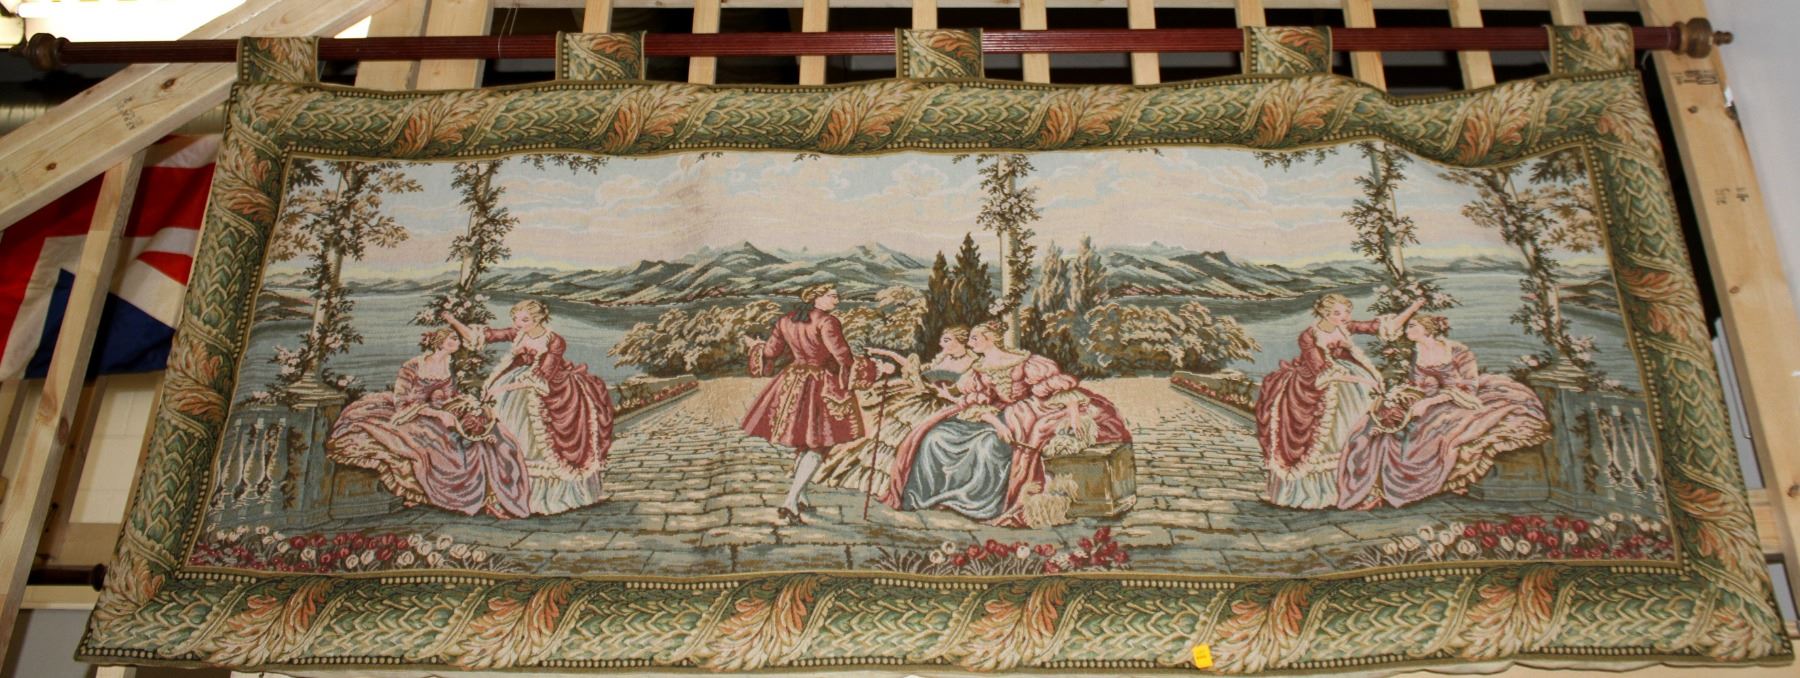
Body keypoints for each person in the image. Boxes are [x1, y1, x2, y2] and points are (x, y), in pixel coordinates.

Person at [883, 321, 1130, 526]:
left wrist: (1073, 413)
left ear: (990, 339)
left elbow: (1059, 390)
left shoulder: (1026, 362)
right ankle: (936, 495)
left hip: (1031, 413)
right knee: (936, 436)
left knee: (989, 446)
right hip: (996, 415)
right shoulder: (978, 369)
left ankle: (986, 506)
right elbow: (978, 402)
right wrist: (997, 423)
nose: (970, 342)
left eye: (975, 338)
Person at [1335, 315, 1551, 509]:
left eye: (1412, 326)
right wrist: (1401, 397)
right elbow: (1417, 384)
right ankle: (1370, 489)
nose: (1407, 329)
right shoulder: (1417, 352)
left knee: (1435, 432)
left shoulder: (1457, 350)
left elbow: (1469, 387)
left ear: (1428, 329)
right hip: (1428, 401)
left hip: (1458, 401)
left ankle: (1415, 486)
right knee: (1372, 427)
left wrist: (1430, 402)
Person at [325, 328, 532, 519]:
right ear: (440, 341)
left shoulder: (447, 365)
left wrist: (467, 405)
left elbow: (450, 397)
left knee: (493, 435)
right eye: (453, 338)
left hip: (440, 414)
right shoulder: (414, 365)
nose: (457, 341)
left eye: (458, 339)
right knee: (440, 446)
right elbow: (401, 403)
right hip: (413, 415)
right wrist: (436, 413)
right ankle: (454, 495)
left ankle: (496, 497)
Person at [442, 300, 614, 516]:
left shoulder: (554, 340)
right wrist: (452, 320)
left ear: (539, 318)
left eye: (524, 320)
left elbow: (543, 376)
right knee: (506, 434)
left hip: (546, 389)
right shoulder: (518, 333)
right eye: (515, 319)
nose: (518, 323)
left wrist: (503, 387)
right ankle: (508, 493)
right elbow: (483, 336)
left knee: (534, 440)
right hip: (513, 386)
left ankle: (542, 498)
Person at [1254, 294, 1425, 509]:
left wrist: (1413, 307)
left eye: (1347, 312)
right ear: (1324, 313)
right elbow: (1320, 371)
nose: (1344, 317)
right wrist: (1363, 380)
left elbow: (1379, 327)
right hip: (1318, 385)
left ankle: (1354, 489)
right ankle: (1319, 494)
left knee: (1356, 432)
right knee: (1328, 439)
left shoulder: (1345, 326)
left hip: (1351, 383)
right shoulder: (1309, 335)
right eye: (1337, 313)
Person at [740, 283, 888, 525]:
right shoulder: (828, 322)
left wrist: (755, 346)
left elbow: (770, 352)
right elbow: (843, 357)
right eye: (832, 296)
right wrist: (877, 368)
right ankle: (790, 501)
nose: (837, 301)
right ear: (815, 297)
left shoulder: (785, 320)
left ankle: (801, 495)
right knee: (818, 445)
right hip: (821, 384)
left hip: (793, 381)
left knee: (806, 441)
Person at [816, 326, 979, 500]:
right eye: (942, 340)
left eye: (947, 340)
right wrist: (885, 353)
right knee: (884, 429)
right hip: (922, 399)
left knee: (909, 437)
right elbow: (917, 371)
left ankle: (897, 484)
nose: (941, 344)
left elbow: (970, 391)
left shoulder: (973, 363)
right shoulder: (944, 356)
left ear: (961, 341)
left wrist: (945, 393)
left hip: (944, 406)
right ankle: (866, 479)